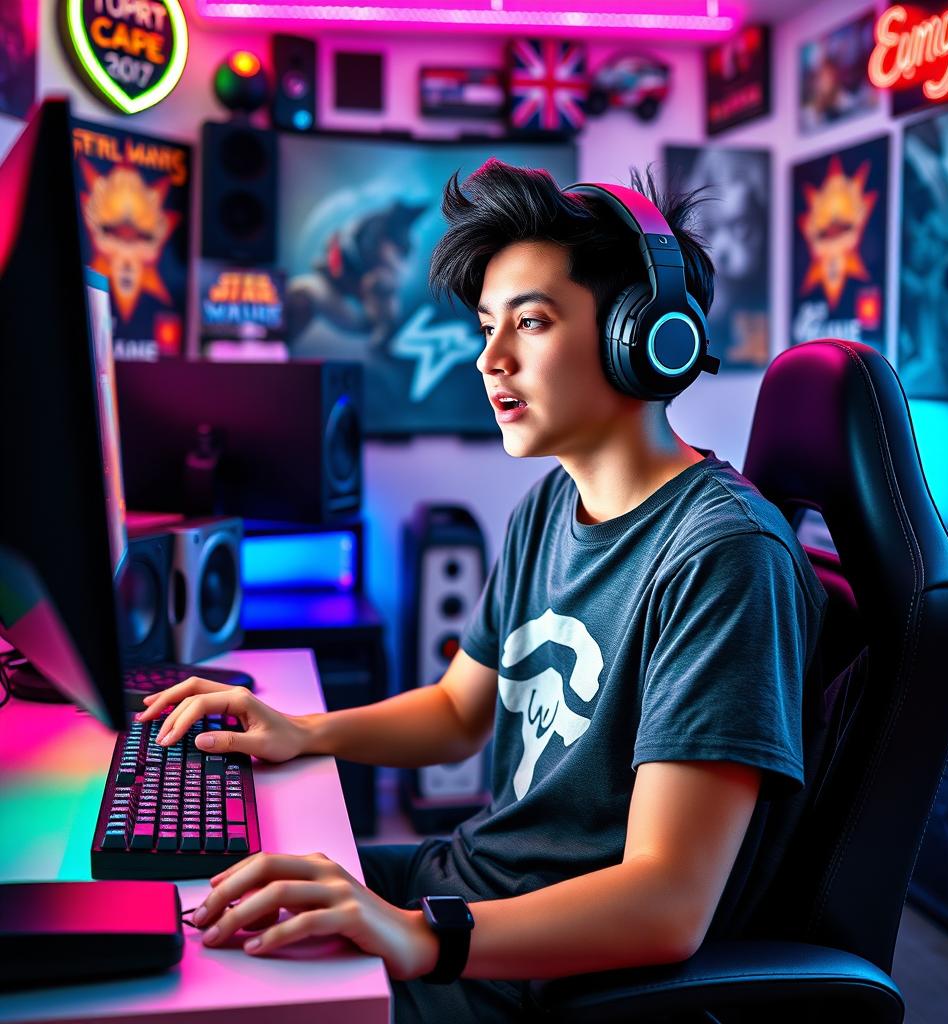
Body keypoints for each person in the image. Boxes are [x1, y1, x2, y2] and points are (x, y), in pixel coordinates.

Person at [137, 159, 827, 1022]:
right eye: (485, 327)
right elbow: (461, 710)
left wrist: (419, 938)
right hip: (468, 894)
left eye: (530, 323)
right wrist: (300, 731)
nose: (489, 359)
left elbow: (669, 903)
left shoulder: (724, 557)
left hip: (542, 975)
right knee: (177, 923)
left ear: (644, 337)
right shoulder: (551, 504)